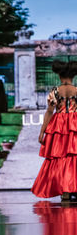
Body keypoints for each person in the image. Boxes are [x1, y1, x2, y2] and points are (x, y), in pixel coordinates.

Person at [31, 60, 77, 201]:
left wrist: (42, 131)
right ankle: (72, 186)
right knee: (73, 157)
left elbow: (49, 112)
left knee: (59, 157)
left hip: (59, 125)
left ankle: (64, 190)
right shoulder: (76, 90)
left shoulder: (55, 91)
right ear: (73, 76)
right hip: (75, 124)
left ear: (59, 75)